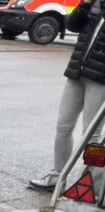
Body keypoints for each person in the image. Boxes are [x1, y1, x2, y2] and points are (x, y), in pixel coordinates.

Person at [30, 0, 105, 191]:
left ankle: (90, 185)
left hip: (100, 77)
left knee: (91, 134)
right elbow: (72, 25)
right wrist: (85, 4)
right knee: (63, 125)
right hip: (76, 71)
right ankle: (57, 177)